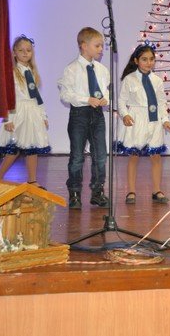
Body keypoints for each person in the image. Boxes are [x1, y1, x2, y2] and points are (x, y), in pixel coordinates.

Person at [116, 43, 170, 204]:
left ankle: (156, 190)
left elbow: (161, 103)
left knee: (156, 156)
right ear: (136, 61)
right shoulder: (129, 79)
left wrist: (165, 120)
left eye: (151, 59)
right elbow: (121, 101)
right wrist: (125, 115)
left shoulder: (157, 80)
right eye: (144, 59)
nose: (149, 63)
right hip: (136, 121)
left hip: (154, 121)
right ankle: (131, 191)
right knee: (134, 156)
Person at [57, 27, 110, 209]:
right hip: (79, 115)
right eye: (97, 45)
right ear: (84, 46)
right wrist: (86, 99)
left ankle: (97, 191)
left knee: (100, 155)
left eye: (102, 45)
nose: (101, 49)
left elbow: (106, 90)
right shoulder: (71, 69)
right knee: (77, 156)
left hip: (97, 115)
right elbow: (65, 94)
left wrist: (105, 99)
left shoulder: (102, 70)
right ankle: (74, 193)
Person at [0, 35, 51, 187]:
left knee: (32, 147)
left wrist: (43, 115)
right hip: (18, 112)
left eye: (28, 50)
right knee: (14, 148)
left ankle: (32, 180)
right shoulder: (12, 72)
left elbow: (36, 97)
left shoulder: (32, 72)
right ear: (14, 52)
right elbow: (8, 97)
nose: (25, 53)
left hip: (32, 113)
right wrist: (8, 119)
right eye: (21, 50)